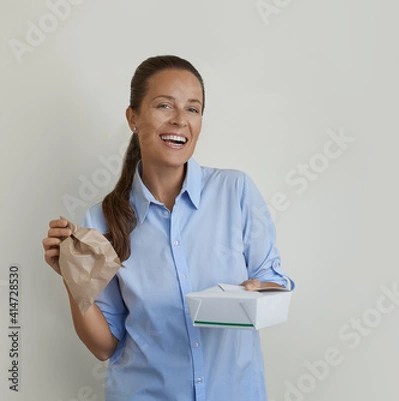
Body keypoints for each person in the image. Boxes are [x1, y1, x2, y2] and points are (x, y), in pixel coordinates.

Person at [42, 55, 294, 401]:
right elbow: (104, 347)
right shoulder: (100, 221)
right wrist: (73, 279)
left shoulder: (235, 192)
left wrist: (258, 290)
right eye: (164, 105)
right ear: (133, 118)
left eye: (193, 109)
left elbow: (274, 280)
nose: (180, 120)